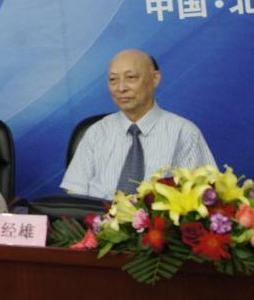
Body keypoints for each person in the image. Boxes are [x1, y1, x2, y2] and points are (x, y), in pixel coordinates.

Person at [61, 49, 216, 198]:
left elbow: (205, 196)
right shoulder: (96, 132)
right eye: (113, 79)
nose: (121, 88)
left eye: (131, 77)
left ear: (155, 79)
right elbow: (74, 195)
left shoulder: (184, 133)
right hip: (97, 216)